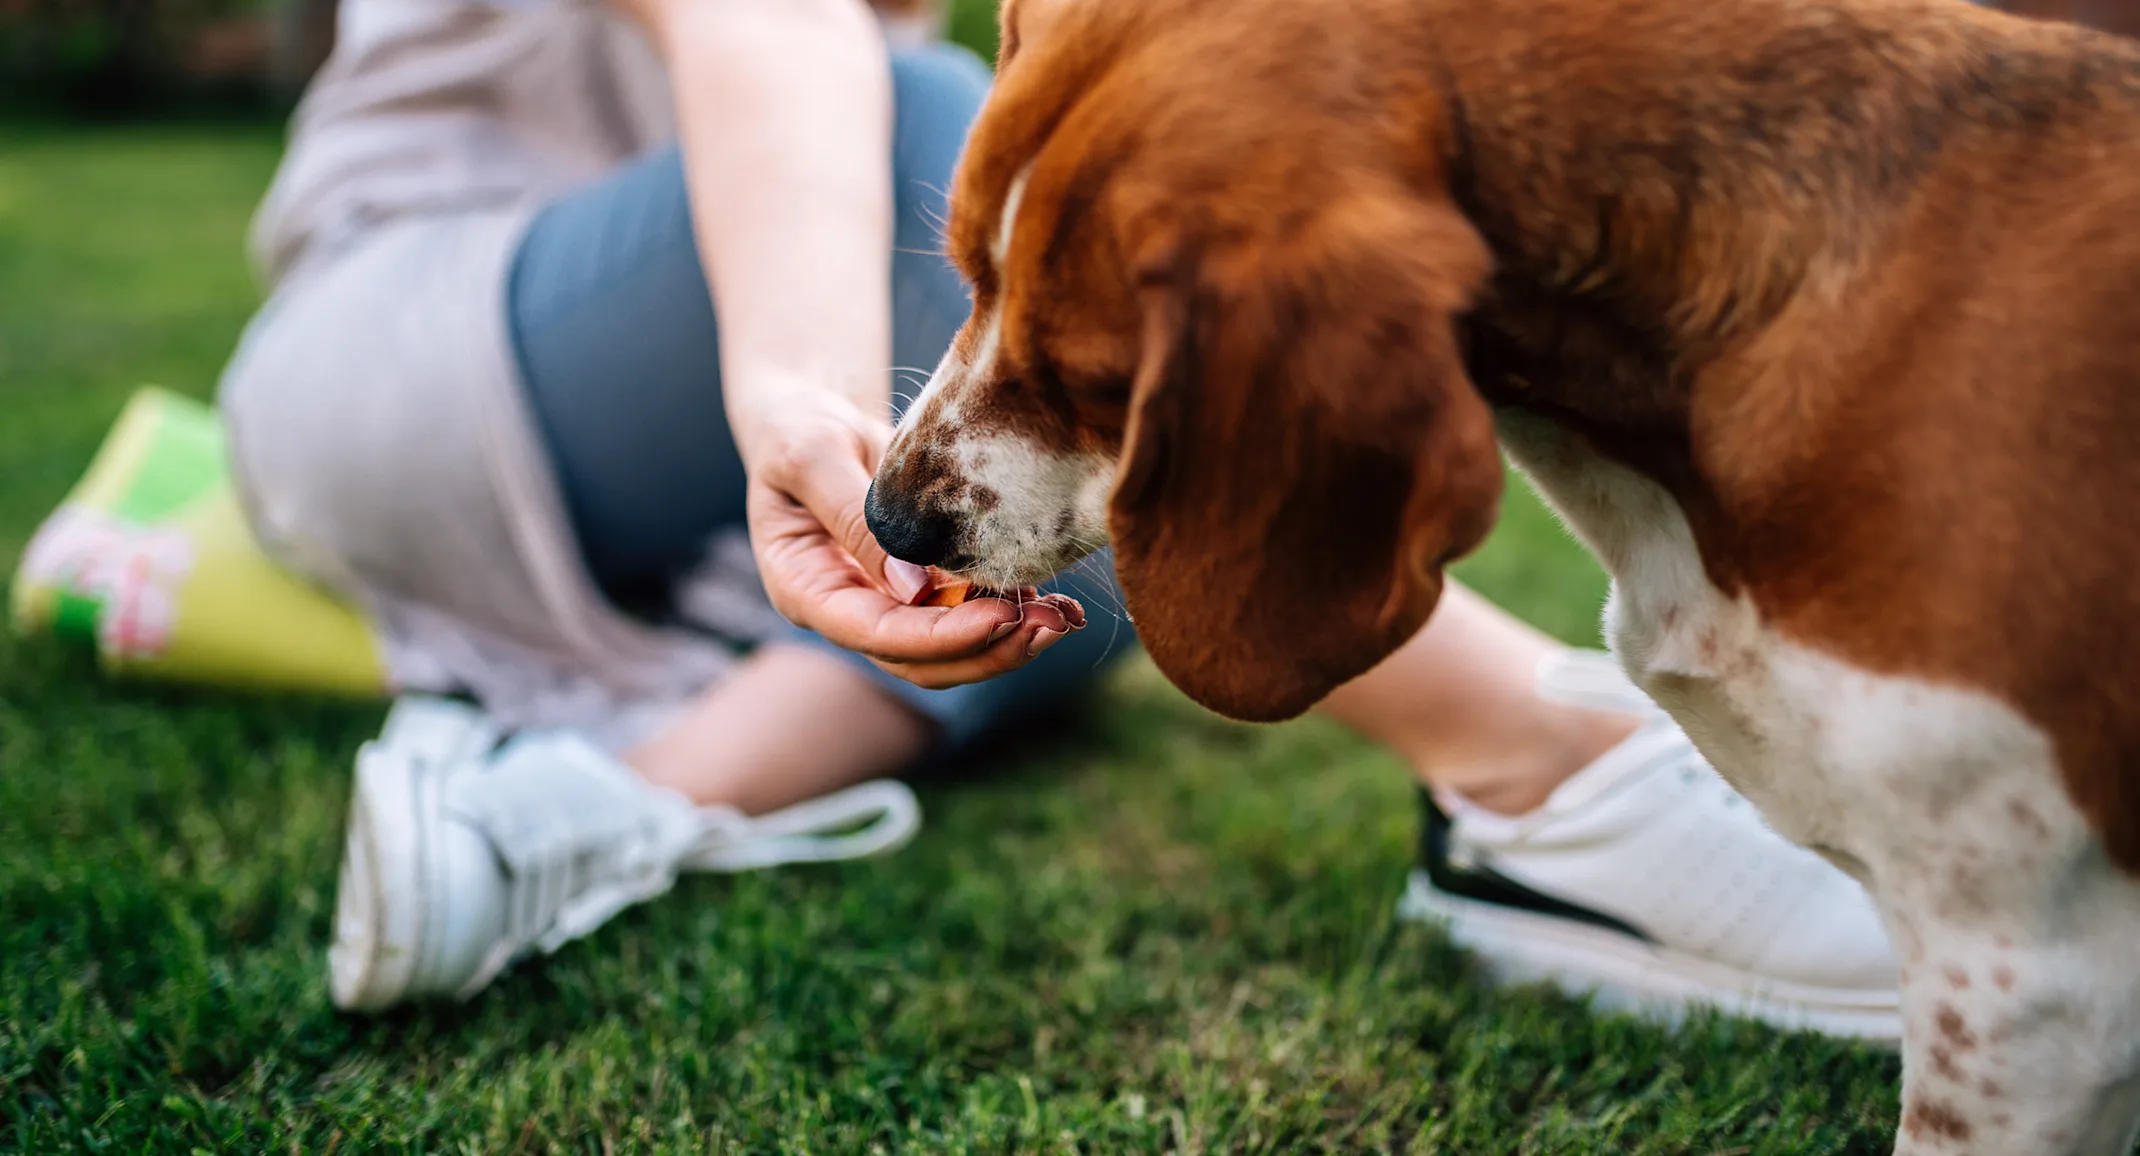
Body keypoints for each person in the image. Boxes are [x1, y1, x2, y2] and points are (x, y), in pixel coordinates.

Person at [216, 0, 1898, 1036]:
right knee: (980, 121)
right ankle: (1534, 765)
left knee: (1052, 568)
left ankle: (576, 809)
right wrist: (801, 395)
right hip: (414, 346)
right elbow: (782, 31)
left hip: (659, 411)